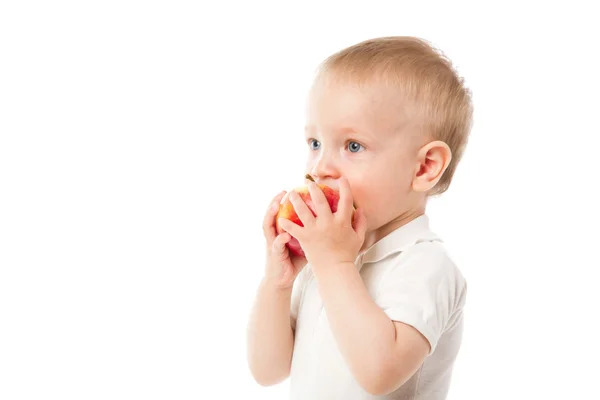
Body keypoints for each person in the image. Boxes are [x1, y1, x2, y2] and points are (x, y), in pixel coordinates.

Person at [247, 36, 473, 399]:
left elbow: (379, 374)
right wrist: (278, 282)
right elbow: (268, 370)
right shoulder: (325, 257)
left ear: (425, 167)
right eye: (315, 143)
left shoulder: (425, 266)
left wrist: (334, 263)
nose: (319, 168)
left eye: (353, 146)